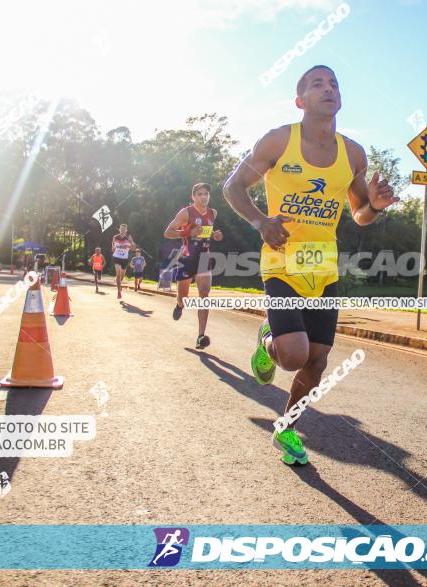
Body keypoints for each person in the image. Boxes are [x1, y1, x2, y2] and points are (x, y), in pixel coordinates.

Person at [222, 65, 398, 465]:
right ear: (300, 100)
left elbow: (360, 215)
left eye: (334, 83)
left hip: (323, 268)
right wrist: (260, 222)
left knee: (317, 359)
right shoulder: (278, 141)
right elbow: (232, 187)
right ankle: (269, 340)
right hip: (282, 261)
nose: (328, 88)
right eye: (317, 84)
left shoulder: (353, 154)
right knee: (293, 356)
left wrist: (376, 205)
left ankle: (286, 428)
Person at [163, 183, 223, 349]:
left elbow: (207, 231)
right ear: (193, 197)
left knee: (204, 293)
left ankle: (200, 336)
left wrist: (215, 235)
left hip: (204, 256)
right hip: (187, 257)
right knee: (183, 295)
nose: (204, 197)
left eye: (206, 194)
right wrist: (188, 233)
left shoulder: (213, 213)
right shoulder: (186, 212)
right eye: (200, 194)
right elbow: (167, 232)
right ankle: (180, 305)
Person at [111, 223, 137, 300]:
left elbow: (134, 249)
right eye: (121, 229)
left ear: (126, 230)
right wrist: (115, 246)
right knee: (118, 275)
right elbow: (112, 249)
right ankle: (119, 292)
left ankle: (119, 283)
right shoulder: (115, 237)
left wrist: (131, 242)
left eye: (124, 229)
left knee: (121, 277)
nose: (122, 230)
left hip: (124, 259)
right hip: (116, 257)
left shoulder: (128, 238)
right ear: (119, 229)